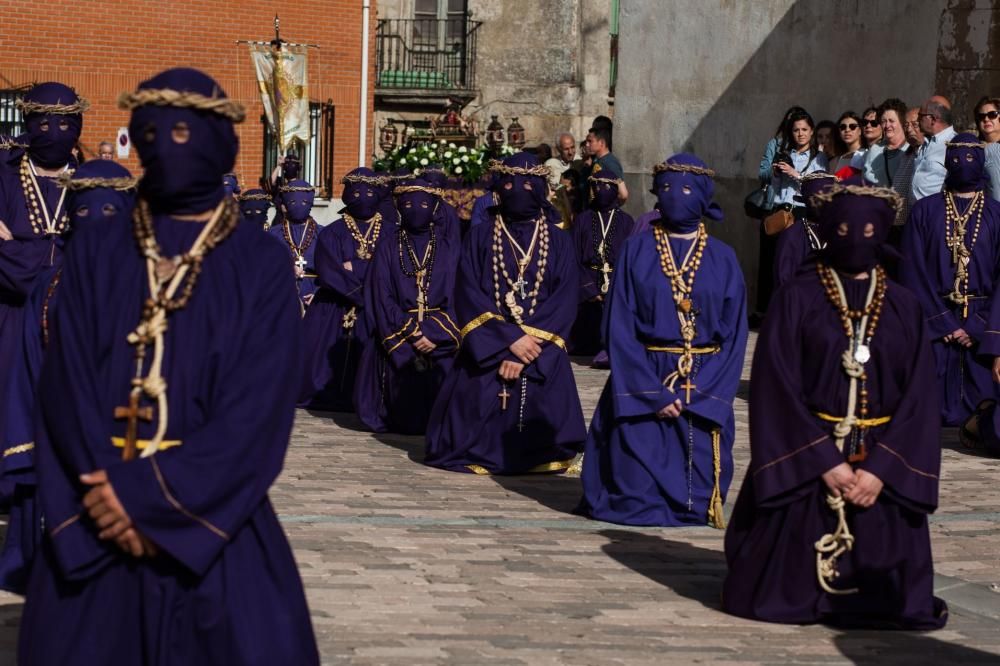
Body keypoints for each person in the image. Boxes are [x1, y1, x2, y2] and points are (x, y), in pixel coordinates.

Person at [18, 67, 318, 664]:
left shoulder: (257, 262)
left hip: (212, 530)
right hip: (94, 521)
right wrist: (99, 506)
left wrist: (147, 501)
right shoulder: (101, 250)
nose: (166, 146)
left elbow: (256, 415)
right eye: (152, 133)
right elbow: (64, 391)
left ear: (219, 142)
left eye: (185, 132)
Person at [723, 181, 947, 630]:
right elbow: (775, 387)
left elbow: (920, 398)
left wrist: (881, 469)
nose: (855, 238)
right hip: (811, 463)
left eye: (868, 230)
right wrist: (824, 461)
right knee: (776, 591)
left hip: (878, 466)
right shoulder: (796, 297)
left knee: (892, 600)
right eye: (843, 228)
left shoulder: (904, 306)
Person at [579, 154, 747, 527]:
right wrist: (651, 393)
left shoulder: (724, 258)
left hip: (700, 381)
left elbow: (734, 338)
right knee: (633, 494)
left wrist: (700, 393)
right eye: (667, 188)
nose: (675, 196)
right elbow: (618, 326)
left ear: (703, 196)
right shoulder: (636, 250)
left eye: (686, 188)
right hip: (645, 375)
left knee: (695, 496)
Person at [0, 159, 136, 594]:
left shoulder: (156, 282)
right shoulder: (48, 286)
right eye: (83, 212)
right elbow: (26, 365)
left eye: (109, 213)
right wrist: (26, 441)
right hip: (60, 438)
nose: (95, 223)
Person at [424, 153, 586, 474]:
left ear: (540, 188)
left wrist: (528, 347)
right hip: (489, 349)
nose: (518, 191)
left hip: (542, 350)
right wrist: (508, 341)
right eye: (509, 183)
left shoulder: (559, 241)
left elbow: (565, 299)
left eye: (527, 184)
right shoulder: (481, 236)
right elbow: (468, 292)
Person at [0, 82, 86, 451]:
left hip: (71, 317)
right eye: (45, 124)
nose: (55, 134)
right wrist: (54, 258)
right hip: (11, 315)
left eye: (67, 124)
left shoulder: (94, 182)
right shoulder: (4, 177)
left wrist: (20, 248)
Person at [901, 133, 1000, 426]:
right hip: (936, 322)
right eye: (955, 158)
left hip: (982, 322)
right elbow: (911, 269)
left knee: (984, 405)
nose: (961, 164)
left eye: (970, 158)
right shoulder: (924, 211)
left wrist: (980, 324)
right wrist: (941, 321)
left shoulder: (996, 215)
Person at [355, 179, 461, 434]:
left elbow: (460, 295)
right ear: (399, 207)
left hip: (440, 337)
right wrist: (412, 332)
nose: (416, 210)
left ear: (435, 208)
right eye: (409, 204)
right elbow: (381, 295)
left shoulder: (450, 248)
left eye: (424, 204)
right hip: (400, 335)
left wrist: (434, 333)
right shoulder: (388, 246)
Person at [299, 167, 385, 412]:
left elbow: (389, 269)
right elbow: (329, 272)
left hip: (376, 305)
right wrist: (364, 286)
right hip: (334, 306)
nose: (362, 198)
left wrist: (356, 265)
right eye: (355, 192)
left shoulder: (391, 232)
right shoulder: (332, 232)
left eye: (368, 193)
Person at [569, 172, 635, 363]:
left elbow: (629, 259)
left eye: (606, 187)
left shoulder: (626, 221)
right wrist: (588, 289)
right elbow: (573, 257)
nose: (601, 191)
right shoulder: (582, 219)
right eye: (596, 187)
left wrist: (616, 287)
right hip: (588, 281)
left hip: (615, 281)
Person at [770, 110, 829, 287]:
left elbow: (817, 186)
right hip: (780, 211)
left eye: (804, 129)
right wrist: (776, 174)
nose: (800, 134)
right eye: (796, 130)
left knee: (793, 261)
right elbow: (775, 188)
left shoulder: (819, 158)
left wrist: (794, 173)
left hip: (801, 212)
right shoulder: (786, 154)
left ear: (811, 132)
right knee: (774, 261)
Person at [773, 171, 837, 288]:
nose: (821, 202)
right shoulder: (792, 235)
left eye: (827, 197)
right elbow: (783, 280)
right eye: (815, 197)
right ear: (805, 200)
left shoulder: (840, 232)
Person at [267, 179, 319, 312]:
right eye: (293, 202)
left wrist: (320, 294)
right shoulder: (273, 234)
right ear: (284, 205)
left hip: (315, 297)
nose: (299, 206)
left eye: (304, 202)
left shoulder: (323, 233)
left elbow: (331, 270)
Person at [912, 98, 957, 201]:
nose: (917, 120)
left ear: (933, 119)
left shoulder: (954, 144)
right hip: (916, 211)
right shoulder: (926, 142)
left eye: (920, 116)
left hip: (936, 212)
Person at [585, 126, 629, 204]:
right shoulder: (598, 161)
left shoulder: (610, 162)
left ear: (601, 143)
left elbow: (623, 194)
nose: (587, 145)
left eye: (590, 141)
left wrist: (609, 208)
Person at [827, 111, 864, 177]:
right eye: (842, 127)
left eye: (852, 126)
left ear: (860, 131)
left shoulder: (866, 155)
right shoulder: (834, 161)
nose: (847, 130)